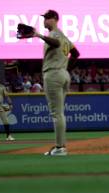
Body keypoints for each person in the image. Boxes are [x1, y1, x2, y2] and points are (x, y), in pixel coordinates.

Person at [31, 10, 80, 155]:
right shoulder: (64, 36)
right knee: (59, 113)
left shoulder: (55, 34)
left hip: (53, 74)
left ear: (54, 19)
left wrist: (38, 35)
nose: (44, 20)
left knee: (57, 113)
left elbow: (56, 43)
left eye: (47, 18)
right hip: (62, 74)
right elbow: (76, 54)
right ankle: (60, 145)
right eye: (44, 18)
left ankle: (60, 147)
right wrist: (65, 69)